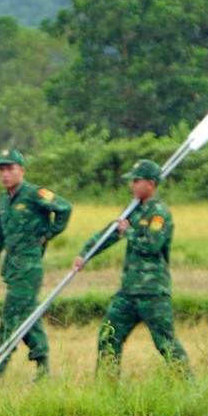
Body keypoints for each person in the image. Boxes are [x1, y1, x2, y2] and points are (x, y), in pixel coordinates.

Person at [70, 158, 191, 378]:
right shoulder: (133, 211)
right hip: (128, 292)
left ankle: (190, 388)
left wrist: (129, 232)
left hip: (152, 292)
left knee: (166, 343)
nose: (132, 185)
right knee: (108, 337)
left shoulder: (159, 214)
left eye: (137, 181)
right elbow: (108, 234)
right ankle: (106, 388)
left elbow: (152, 245)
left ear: (151, 184)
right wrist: (85, 254)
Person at [0, 149, 72, 379]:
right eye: (1, 170)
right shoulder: (2, 200)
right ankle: (42, 365)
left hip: (29, 265)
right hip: (12, 266)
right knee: (27, 315)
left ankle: (1, 363)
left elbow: (64, 208)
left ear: (21, 170)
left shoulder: (34, 194)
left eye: (10, 169)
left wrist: (47, 233)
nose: (5, 174)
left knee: (12, 315)